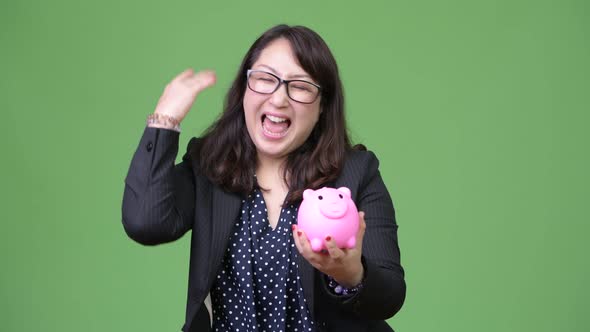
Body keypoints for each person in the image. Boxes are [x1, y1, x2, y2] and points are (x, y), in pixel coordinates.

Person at [122, 24, 406, 332]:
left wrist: (351, 275)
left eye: (299, 86)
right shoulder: (209, 166)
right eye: (265, 79)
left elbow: (390, 295)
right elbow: (145, 222)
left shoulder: (356, 172)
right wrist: (165, 120)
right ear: (245, 88)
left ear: (323, 105)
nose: (279, 99)